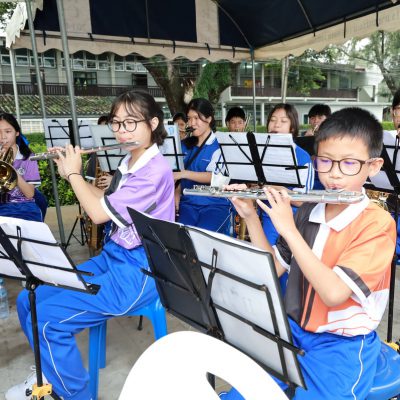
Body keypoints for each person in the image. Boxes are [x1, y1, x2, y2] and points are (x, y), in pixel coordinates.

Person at [6, 90, 175, 400]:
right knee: (28, 300)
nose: (122, 131)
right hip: (114, 257)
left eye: (131, 122)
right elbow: (107, 203)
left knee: (48, 320)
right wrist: (73, 176)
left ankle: (73, 393)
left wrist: (73, 173)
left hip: (140, 272)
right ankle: (48, 372)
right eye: (117, 123)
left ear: (153, 123)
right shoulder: (129, 161)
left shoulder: (154, 171)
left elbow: (97, 215)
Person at [221, 107, 396, 400]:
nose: (334, 174)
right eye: (325, 161)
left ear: (374, 166)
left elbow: (334, 293)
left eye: (349, 163)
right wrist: (250, 216)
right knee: (245, 392)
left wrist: (289, 229)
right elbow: (271, 270)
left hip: (342, 346)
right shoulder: (308, 211)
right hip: (292, 331)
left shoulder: (376, 224)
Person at [174, 98, 231, 235]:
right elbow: (176, 176)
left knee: (201, 240)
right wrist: (176, 193)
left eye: (196, 118)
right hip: (187, 204)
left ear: (209, 119)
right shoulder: (183, 145)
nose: (192, 123)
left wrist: (184, 173)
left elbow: (217, 177)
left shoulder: (221, 144)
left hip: (214, 205)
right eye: (189, 118)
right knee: (182, 239)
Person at [262, 103, 314, 245]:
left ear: (292, 128)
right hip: (265, 214)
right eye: (272, 120)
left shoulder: (302, 157)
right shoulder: (260, 153)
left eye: (283, 121)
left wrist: (275, 188)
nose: (276, 125)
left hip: (291, 219)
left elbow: (302, 201)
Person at [0, 112, 43, 222]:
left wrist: (10, 169)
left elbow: (29, 194)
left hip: (24, 208)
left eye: (8, 131)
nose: (3, 137)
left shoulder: (28, 157)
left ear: (17, 132)